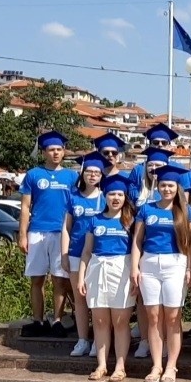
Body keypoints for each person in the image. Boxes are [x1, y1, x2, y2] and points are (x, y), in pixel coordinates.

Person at [130, 164, 191, 382]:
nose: (167, 189)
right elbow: (137, 241)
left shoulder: (186, 211)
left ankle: (171, 365)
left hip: (175, 264)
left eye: (171, 186)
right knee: (154, 317)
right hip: (149, 264)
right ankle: (156, 364)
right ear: (157, 186)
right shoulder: (146, 209)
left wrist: (190, 269)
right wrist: (134, 267)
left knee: (173, 317)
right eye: (164, 185)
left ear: (178, 188)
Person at [73, 174, 136, 382]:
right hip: (97, 270)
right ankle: (101, 365)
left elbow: (138, 250)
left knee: (120, 321)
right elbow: (86, 252)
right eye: (111, 194)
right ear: (105, 196)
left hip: (122, 270)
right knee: (100, 321)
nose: (115, 198)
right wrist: (81, 277)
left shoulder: (131, 221)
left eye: (119, 194)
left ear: (125, 197)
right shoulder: (95, 220)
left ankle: (120, 366)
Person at [19, 131, 77, 338]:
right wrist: (23, 235)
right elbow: (25, 206)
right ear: (44, 152)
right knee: (37, 279)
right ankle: (38, 320)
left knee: (60, 280)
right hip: (37, 231)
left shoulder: (72, 176)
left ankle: (58, 320)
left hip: (61, 233)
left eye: (59, 149)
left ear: (64, 151)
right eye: (51, 150)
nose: (56, 153)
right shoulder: (33, 174)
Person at [62, 151, 106, 356]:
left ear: (101, 175)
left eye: (97, 172)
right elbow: (66, 228)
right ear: (82, 173)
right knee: (79, 298)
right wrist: (64, 254)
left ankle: (99, 340)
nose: (93, 175)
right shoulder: (73, 197)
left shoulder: (106, 197)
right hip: (76, 253)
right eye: (89, 171)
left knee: (97, 300)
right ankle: (82, 340)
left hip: (99, 255)